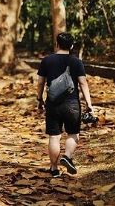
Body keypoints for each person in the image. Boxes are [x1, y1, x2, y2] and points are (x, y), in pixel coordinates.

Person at [36, 32, 94, 177]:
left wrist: (39, 99)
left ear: (57, 44)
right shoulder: (76, 62)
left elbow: (40, 82)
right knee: (73, 134)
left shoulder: (47, 61)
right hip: (72, 104)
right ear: (72, 46)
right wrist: (89, 105)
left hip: (52, 104)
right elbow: (83, 83)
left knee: (54, 137)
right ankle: (67, 156)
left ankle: (54, 168)